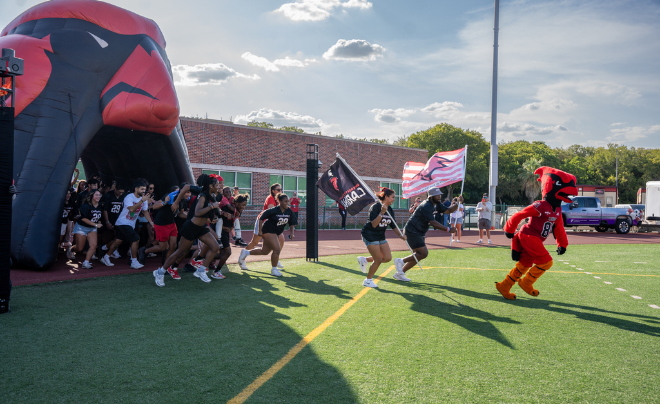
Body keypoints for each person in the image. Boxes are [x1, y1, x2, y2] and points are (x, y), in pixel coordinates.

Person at [153, 175, 221, 286]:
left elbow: (208, 212)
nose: (218, 187)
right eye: (217, 185)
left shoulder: (211, 196)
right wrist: (211, 207)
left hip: (201, 227)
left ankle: (201, 270)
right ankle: (160, 272)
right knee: (180, 252)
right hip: (191, 227)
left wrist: (213, 218)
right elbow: (198, 212)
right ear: (210, 185)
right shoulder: (203, 196)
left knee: (215, 246)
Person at [394, 187, 458, 281]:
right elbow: (432, 222)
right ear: (431, 196)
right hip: (412, 230)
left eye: (440, 195)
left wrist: (458, 203)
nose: (439, 196)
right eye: (437, 195)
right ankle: (400, 261)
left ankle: (400, 273)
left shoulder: (437, 204)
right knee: (423, 253)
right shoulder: (426, 205)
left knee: (419, 255)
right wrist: (448, 229)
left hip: (419, 231)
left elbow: (448, 210)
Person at [356, 188, 406, 288]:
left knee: (387, 258)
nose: (394, 200)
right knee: (378, 260)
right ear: (386, 197)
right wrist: (382, 212)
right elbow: (374, 224)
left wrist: (401, 235)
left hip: (380, 236)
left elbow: (393, 225)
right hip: (370, 234)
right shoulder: (375, 207)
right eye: (392, 197)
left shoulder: (390, 210)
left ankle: (364, 259)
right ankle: (368, 280)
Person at [238, 193, 297, 277]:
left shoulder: (289, 211)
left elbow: (292, 223)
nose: (287, 203)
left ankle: (246, 252)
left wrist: (292, 233)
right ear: (280, 202)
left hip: (276, 232)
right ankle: (274, 270)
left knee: (264, 252)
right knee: (277, 249)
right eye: (285, 201)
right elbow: (261, 217)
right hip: (268, 230)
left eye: (288, 201)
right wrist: (260, 230)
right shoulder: (274, 210)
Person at [101, 180, 154, 269]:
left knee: (118, 241)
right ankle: (134, 261)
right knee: (136, 239)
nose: (143, 191)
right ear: (136, 189)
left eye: (144, 189)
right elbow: (132, 210)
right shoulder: (129, 197)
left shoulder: (143, 198)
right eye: (141, 189)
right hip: (123, 222)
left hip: (131, 223)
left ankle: (105, 257)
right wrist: (142, 201)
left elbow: (145, 212)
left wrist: (151, 222)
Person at [139, 186, 181, 271]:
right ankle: (145, 251)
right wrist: (165, 202)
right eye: (176, 192)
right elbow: (154, 206)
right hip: (161, 224)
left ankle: (166, 266)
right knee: (163, 247)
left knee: (173, 246)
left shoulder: (182, 200)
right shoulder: (167, 197)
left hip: (171, 223)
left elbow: (180, 213)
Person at [246, 183, 285, 269]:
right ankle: (243, 255)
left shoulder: (279, 200)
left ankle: (276, 258)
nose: (280, 191)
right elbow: (271, 213)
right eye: (278, 190)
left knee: (281, 239)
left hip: (273, 224)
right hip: (263, 222)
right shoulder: (270, 198)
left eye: (281, 189)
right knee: (254, 243)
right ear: (273, 191)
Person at [211, 193, 249, 279]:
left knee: (223, 254)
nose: (244, 207)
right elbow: (217, 218)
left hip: (225, 232)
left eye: (245, 205)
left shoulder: (238, 211)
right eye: (243, 205)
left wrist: (230, 228)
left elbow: (233, 222)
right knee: (227, 252)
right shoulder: (227, 209)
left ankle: (204, 258)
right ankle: (216, 271)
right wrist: (224, 227)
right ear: (236, 203)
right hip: (219, 232)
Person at [70, 189, 104, 269]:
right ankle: (71, 249)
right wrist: (95, 224)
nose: (98, 196)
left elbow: (97, 216)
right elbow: (83, 218)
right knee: (79, 248)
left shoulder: (100, 205)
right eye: (96, 195)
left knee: (93, 245)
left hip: (92, 228)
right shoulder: (85, 205)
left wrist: (98, 222)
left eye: (99, 195)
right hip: (82, 227)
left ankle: (86, 262)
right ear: (92, 196)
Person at [100, 183, 125, 259]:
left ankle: (112, 249)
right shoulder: (108, 196)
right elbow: (105, 210)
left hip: (118, 219)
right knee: (105, 235)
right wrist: (107, 221)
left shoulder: (123, 196)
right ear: (115, 189)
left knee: (118, 236)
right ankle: (102, 249)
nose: (120, 194)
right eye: (119, 192)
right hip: (108, 218)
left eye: (122, 192)